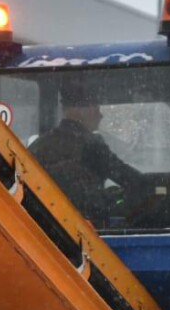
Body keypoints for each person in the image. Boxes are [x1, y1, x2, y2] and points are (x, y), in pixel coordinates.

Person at [29, 87, 141, 224]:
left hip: (44, 224)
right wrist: (155, 186)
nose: (101, 115)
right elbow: (127, 177)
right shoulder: (90, 145)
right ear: (78, 110)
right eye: (95, 108)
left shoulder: (39, 145)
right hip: (87, 226)